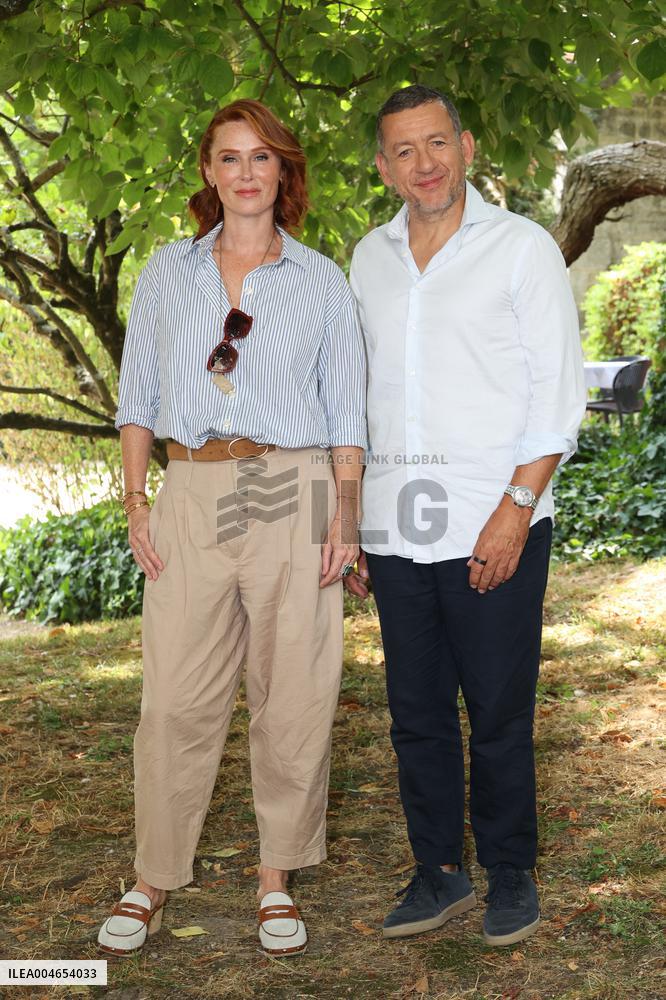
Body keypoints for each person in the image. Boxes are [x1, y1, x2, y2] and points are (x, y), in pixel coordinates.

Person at [98, 99, 367, 959]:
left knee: (294, 691)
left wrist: (346, 519)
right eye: (229, 157)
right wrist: (137, 500)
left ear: (283, 171)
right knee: (173, 697)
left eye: (262, 157)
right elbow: (137, 398)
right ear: (208, 173)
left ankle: (276, 877)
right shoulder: (166, 273)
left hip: (295, 484)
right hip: (192, 486)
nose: (246, 173)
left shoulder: (322, 281)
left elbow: (348, 414)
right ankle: (153, 875)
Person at [346, 85, 586, 947]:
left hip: (495, 516)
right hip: (395, 524)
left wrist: (516, 509)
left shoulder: (522, 249)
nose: (425, 164)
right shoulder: (367, 259)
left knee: (497, 710)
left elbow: (557, 393)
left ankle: (511, 872)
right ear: (384, 167)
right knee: (414, 713)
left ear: (468, 146)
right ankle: (439, 871)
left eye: (437, 143)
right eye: (404, 150)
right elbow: (358, 400)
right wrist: (352, 520)